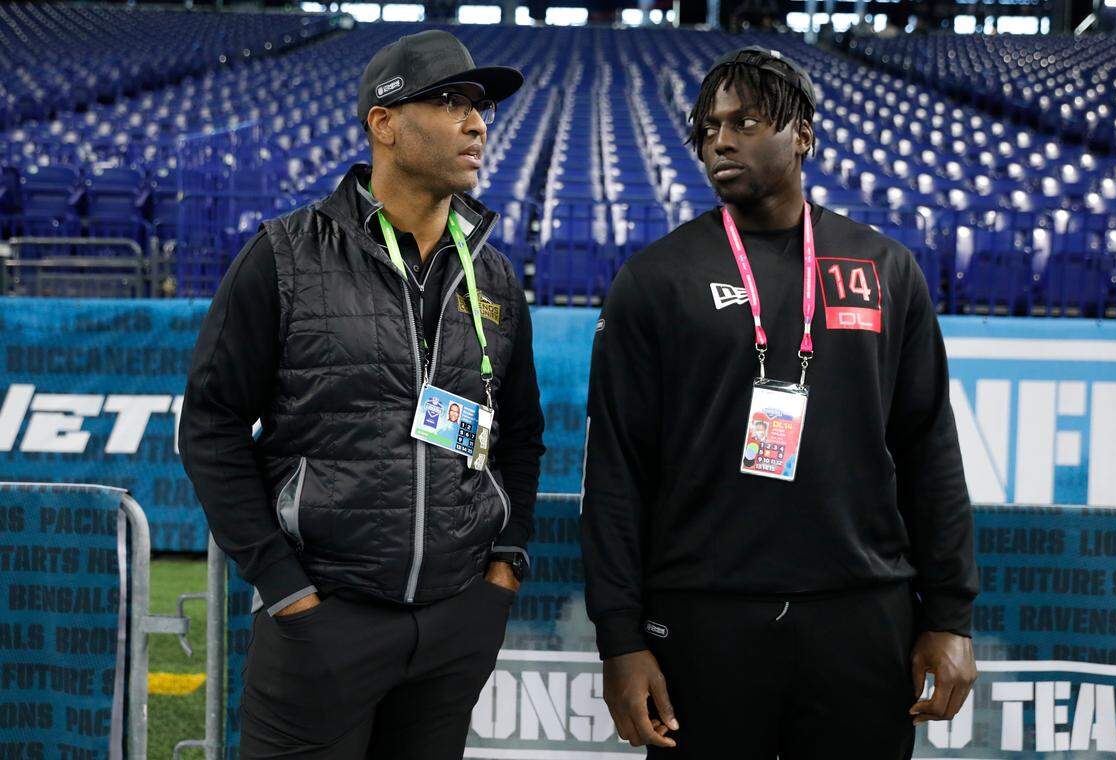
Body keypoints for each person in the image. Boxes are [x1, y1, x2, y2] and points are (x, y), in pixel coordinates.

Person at [580, 46, 977, 758]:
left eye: (747, 120)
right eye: (707, 128)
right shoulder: (656, 280)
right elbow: (616, 473)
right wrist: (619, 638)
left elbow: (929, 452)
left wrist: (950, 617)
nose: (721, 140)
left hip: (862, 614)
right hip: (704, 619)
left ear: (803, 134)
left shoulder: (884, 268)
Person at [179, 30, 545, 759]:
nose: (477, 123)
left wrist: (500, 570)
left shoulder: (496, 277)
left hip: (453, 624)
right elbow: (211, 427)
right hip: (323, 619)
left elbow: (522, 434)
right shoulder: (284, 255)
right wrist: (286, 588)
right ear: (384, 123)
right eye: (451, 102)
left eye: (480, 107)